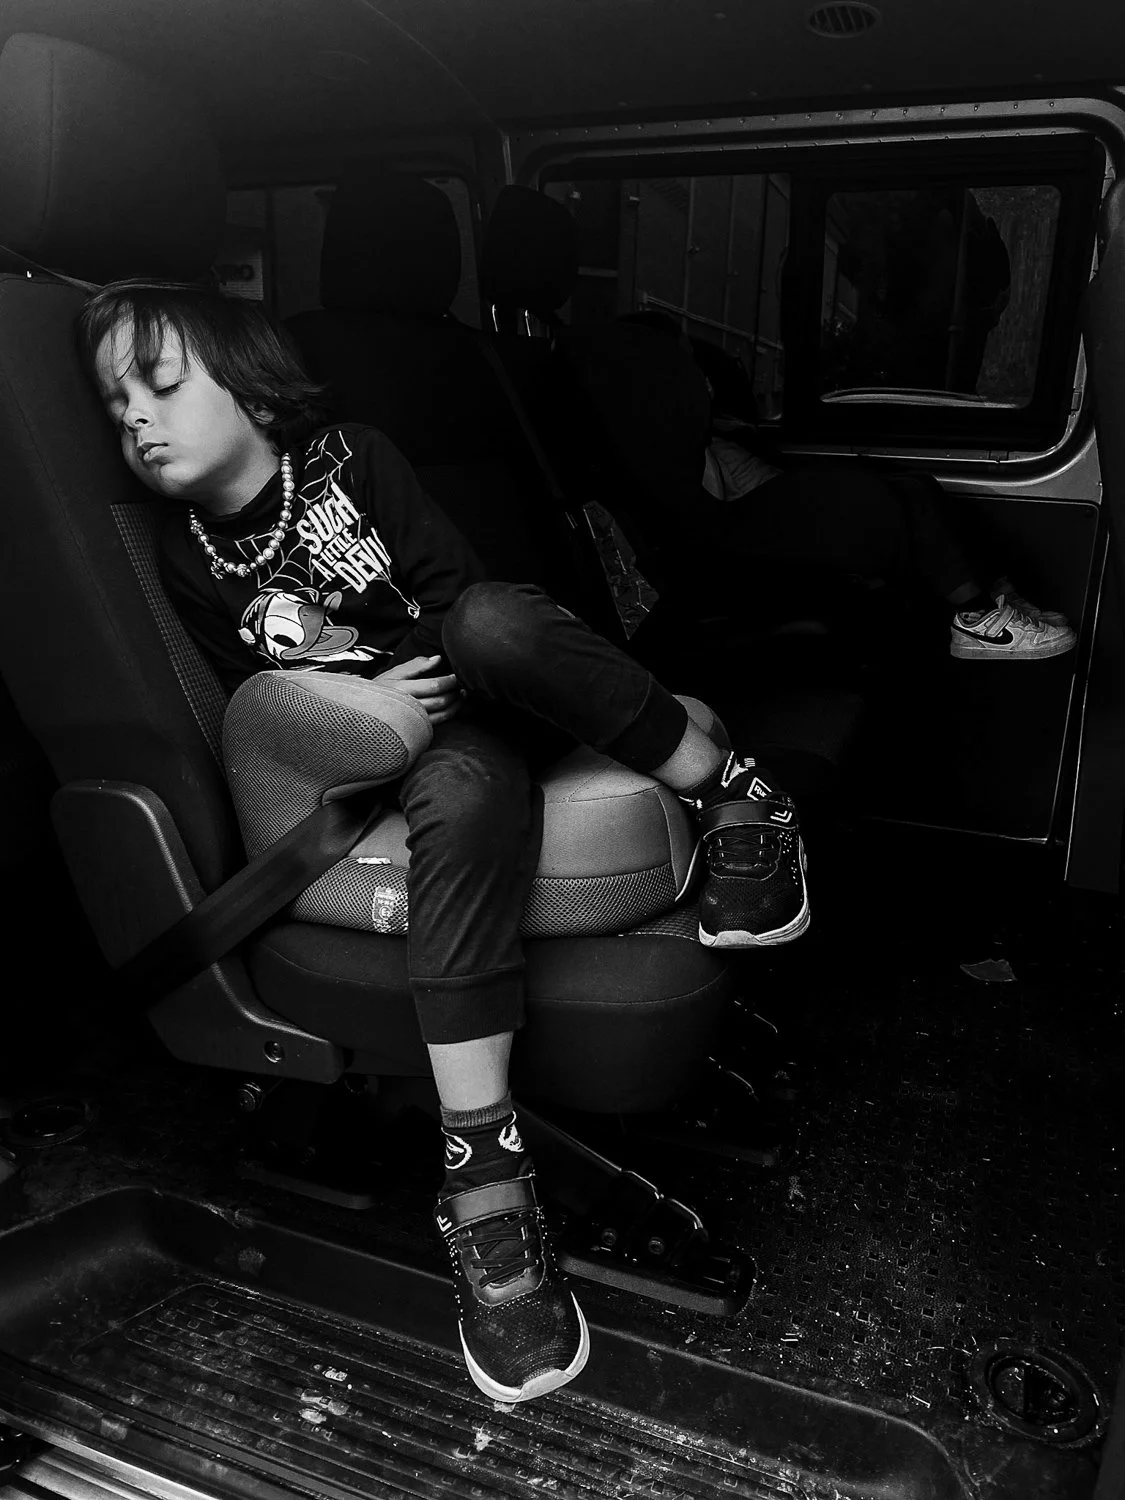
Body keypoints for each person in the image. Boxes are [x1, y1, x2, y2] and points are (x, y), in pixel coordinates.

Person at [77, 282, 812, 1406]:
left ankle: (738, 795)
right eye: (116, 400)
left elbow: (452, 600)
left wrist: (411, 669)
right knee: (464, 795)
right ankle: (486, 1176)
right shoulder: (187, 555)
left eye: (163, 385)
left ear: (255, 392)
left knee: (494, 619)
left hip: (489, 683)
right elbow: (262, 696)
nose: (136, 415)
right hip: (404, 752)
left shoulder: (352, 460)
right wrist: (376, 707)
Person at [606, 312, 1074, 662]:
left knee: (918, 484)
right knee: (903, 496)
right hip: (762, 526)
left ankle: (993, 596)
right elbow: (714, 512)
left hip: (783, 506)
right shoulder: (669, 449)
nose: (702, 381)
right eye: (687, 369)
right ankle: (976, 615)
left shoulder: (719, 427)